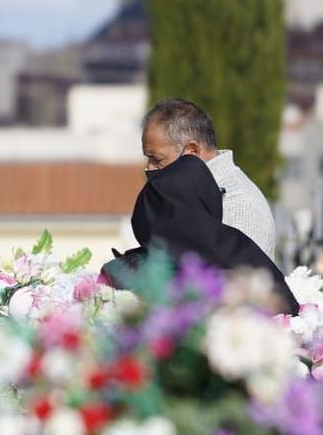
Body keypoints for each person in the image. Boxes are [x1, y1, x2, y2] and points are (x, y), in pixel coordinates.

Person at [103, 99, 299, 314]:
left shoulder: (239, 205)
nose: (149, 169)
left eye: (156, 159)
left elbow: (241, 293)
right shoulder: (180, 194)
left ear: (192, 151)